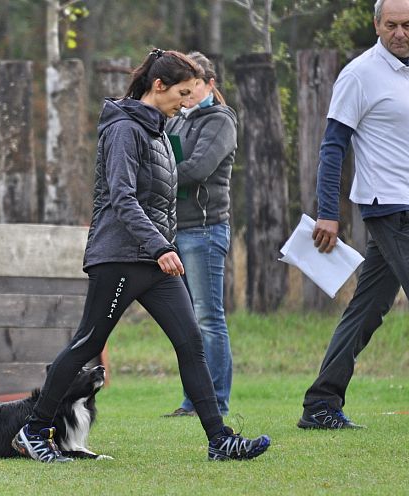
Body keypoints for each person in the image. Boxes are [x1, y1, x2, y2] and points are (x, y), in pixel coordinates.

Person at [11, 49, 270, 462]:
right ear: (158, 86)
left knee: (191, 343)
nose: (187, 102)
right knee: (87, 344)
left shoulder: (158, 131)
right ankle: (34, 430)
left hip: (154, 261)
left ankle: (219, 439)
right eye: (182, 93)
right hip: (119, 257)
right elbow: (122, 197)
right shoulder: (124, 130)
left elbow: (160, 200)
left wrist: (160, 248)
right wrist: (162, 246)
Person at [298, 0, 409, 430]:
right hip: (389, 205)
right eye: (390, 24)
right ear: (376, 24)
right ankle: (321, 403)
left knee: (367, 309)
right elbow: (332, 146)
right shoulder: (359, 74)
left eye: (407, 24)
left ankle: (321, 403)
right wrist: (328, 212)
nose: (399, 32)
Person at [161, 52, 237, 418]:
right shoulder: (177, 121)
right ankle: (193, 401)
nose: (186, 95)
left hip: (204, 231)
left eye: (193, 86)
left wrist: (156, 175)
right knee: (188, 322)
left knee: (209, 317)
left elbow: (198, 168)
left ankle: (216, 400)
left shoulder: (220, 120)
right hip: (177, 230)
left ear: (210, 84)